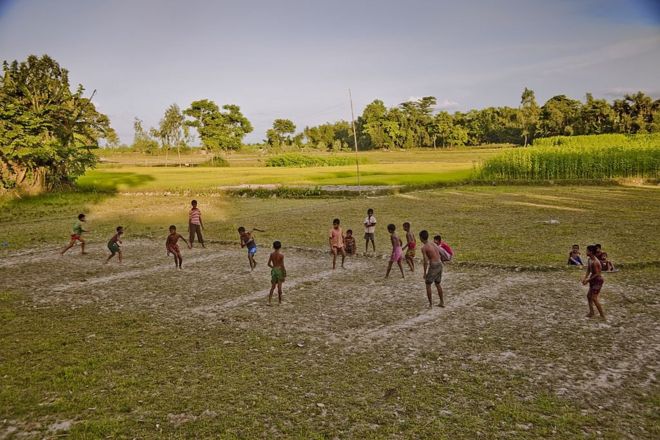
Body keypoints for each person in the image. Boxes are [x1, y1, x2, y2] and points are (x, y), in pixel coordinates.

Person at [420, 230, 444, 308]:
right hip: (440, 264)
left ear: (421, 238)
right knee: (437, 284)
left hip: (433, 265)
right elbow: (440, 253)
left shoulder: (424, 247)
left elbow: (425, 261)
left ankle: (430, 304)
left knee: (428, 284)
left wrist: (424, 272)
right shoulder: (433, 243)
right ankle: (442, 302)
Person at [582, 244, 605, 319]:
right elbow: (589, 269)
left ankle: (602, 315)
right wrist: (585, 278)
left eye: (587, 251)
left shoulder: (595, 262)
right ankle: (591, 312)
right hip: (593, 279)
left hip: (598, 281)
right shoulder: (590, 260)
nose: (586, 252)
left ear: (591, 252)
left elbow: (597, 273)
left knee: (594, 298)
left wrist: (588, 280)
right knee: (589, 296)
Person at [267, 241, 286, 305]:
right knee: (279, 287)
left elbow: (268, 264)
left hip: (274, 271)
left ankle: (269, 301)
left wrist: (273, 268)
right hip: (279, 271)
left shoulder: (271, 254)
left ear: (273, 247)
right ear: (280, 247)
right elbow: (282, 265)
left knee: (273, 287)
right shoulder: (281, 255)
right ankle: (280, 302)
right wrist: (284, 274)